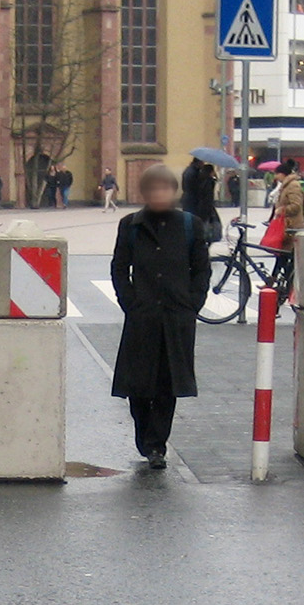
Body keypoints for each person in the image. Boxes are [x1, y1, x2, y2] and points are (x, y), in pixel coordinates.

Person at [109, 164, 210, 470]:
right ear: (145, 193)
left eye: (165, 189)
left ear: (174, 192)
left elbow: (201, 270)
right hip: (143, 316)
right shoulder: (131, 225)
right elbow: (119, 267)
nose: (159, 195)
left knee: (167, 383)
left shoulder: (190, 225)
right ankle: (144, 435)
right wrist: (130, 302)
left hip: (177, 316)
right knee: (137, 384)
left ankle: (157, 446)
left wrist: (193, 303)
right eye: (153, 190)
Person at [181, 156, 221, 241]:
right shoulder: (198, 175)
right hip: (196, 204)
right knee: (199, 226)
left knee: (191, 224)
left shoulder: (190, 171)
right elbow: (205, 196)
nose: (203, 164)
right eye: (202, 162)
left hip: (190, 201)